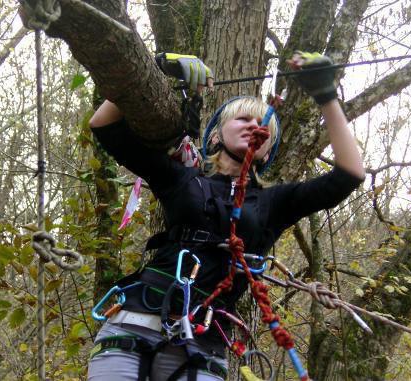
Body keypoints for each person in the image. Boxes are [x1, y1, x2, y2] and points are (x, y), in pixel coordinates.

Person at [87, 52, 366, 381]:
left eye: (262, 125)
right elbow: (104, 126)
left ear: (268, 149)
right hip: (135, 320)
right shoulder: (183, 179)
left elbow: (350, 174)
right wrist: (153, 68)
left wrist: (326, 95)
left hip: (205, 339)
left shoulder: (275, 203)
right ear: (216, 137)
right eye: (242, 119)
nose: (253, 125)